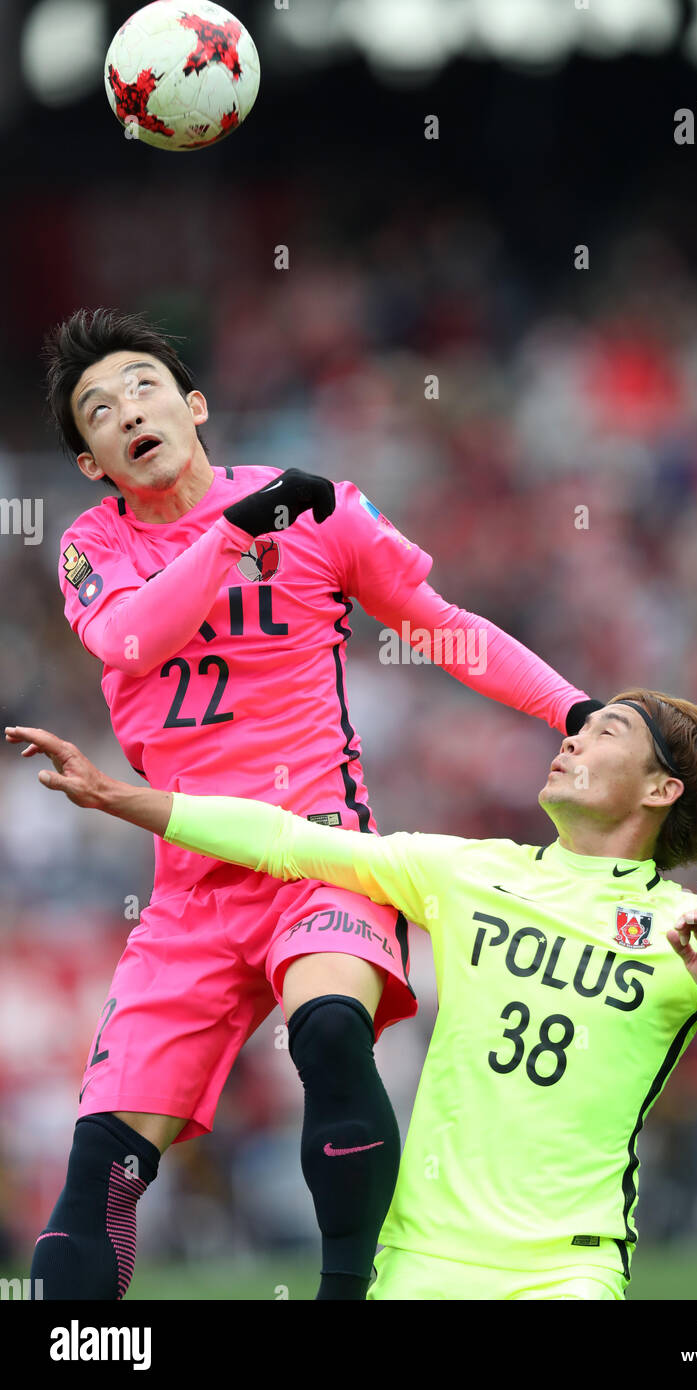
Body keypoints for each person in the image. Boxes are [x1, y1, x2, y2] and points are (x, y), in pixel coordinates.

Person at [31, 306, 600, 1301]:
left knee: (331, 1031)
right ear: (91, 464)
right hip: (190, 892)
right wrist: (227, 539)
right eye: (98, 409)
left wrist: (574, 708)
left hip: (320, 856)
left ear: (194, 405)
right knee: (99, 1178)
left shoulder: (319, 510)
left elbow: (441, 625)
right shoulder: (90, 546)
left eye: (142, 385)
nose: (126, 409)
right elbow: (129, 641)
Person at [7, 690, 697, 1300]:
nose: (570, 741)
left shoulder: (690, 931)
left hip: (567, 1270)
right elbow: (286, 840)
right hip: (417, 1263)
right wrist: (121, 797)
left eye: (604, 733)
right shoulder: (470, 870)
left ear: (660, 790)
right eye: (577, 728)